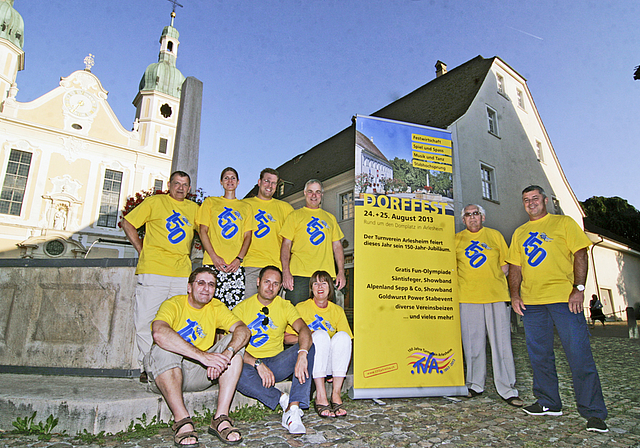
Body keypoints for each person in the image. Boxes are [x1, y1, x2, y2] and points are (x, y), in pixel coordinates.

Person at [507, 185, 608, 433]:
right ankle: (549, 402)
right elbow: (515, 267)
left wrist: (579, 288)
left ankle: (594, 413)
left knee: (579, 356)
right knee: (539, 356)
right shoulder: (520, 232)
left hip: (565, 300)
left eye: (534, 198)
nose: (530, 203)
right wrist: (515, 295)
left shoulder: (563, 223)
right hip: (532, 303)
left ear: (545, 200)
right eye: (526, 200)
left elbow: (580, 253)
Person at [144, 266, 251, 446]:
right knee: (163, 348)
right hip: (166, 373)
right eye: (200, 283)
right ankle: (182, 421)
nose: (206, 288)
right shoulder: (174, 304)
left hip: (201, 374)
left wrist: (226, 354)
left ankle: (221, 418)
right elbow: (159, 333)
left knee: (235, 342)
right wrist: (204, 357)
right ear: (189, 287)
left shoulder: (216, 306)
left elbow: (243, 330)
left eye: (211, 285)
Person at [122, 170, 199, 382]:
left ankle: (172, 365)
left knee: (177, 321)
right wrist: (140, 248)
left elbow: (209, 231)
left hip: (181, 273)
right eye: (177, 183)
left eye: (185, 184)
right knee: (146, 320)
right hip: (154, 271)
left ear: (190, 189)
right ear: (169, 185)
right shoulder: (155, 202)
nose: (181, 188)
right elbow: (128, 223)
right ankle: (147, 365)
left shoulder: (194, 209)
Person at [233, 266, 315, 434]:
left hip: (277, 364)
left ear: (280, 287)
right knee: (233, 369)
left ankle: (294, 407)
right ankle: (283, 400)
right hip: (252, 366)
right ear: (258, 282)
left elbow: (304, 330)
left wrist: (302, 354)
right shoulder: (241, 308)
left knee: (309, 346)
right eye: (267, 282)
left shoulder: (285, 305)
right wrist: (257, 364)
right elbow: (231, 345)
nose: (270, 287)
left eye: (275, 284)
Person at [455, 204, 522, 407]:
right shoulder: (456, 239)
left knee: (501, 344)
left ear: (483, 217)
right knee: (472, 344)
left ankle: (508, 389)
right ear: (463, 219)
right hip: (467, 297)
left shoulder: (495, 236)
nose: (472, 218)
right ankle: (474, 384)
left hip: (495, 296)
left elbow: (505, 266)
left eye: (476, 214)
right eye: (468, 215)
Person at [284, 270, 353, 418]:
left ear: (330, 287)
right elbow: (286, 337)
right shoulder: (301, 308)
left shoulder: (337, 310)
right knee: (320, 334)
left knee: (343, 336)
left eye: (324, 282)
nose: (320, 286)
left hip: (329, 362)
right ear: (311, 288)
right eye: (315, 283)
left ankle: (336, 395)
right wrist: (308, 338)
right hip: (310, 360)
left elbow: (346, 342)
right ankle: (320, 396)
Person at [197, 167, 256, 309]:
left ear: (238, 182)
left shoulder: (246, 206)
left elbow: (248, 236)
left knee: (233, 310)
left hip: (235, 266)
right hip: (213, 263)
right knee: (209, 307)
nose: (230, 181)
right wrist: (214, 257)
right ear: (221, 182)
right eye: (226, 178)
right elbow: (202, 230)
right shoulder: (210, 202)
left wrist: (238, 259)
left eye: (233, 178)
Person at [280, 179, 346, 305]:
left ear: (322, 194)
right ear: (304, 193)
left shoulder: (330, 218)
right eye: (310, 191)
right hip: (299, 275)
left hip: (325, 276)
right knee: (296, 318)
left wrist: (341, 272)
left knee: (324, 319)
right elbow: (286, 245)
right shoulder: (294, 216)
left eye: (317, 192)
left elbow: (337, 247)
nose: (314, 195)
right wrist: (286, 272)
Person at [243, 168, 294, 298]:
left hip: (276, 267)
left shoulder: (286, 208)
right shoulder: (244, 205)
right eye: (267, 181)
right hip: (250, 265)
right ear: (259, 182)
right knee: (248, 309)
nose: (270, 185)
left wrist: (287, 269)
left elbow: (292, 240)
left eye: (274, 183)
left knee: (274, 313)